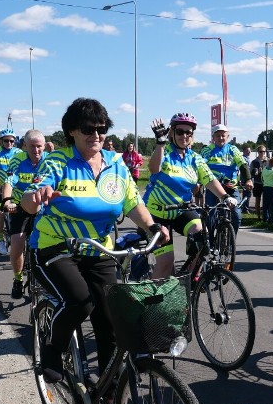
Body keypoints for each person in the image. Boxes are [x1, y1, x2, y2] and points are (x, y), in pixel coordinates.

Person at [20, 98, 170, 383]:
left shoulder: (115, 162)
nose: (96, 135)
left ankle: (110, 386)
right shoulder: (58, 161)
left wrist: (152, 227)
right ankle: (53, 347)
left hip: (99, 248)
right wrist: (35, 197)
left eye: (101, 129)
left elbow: (131, 202)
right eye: (88, 129)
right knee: (81, 302)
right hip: (55, 246)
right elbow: (32, 197)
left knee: (110, 319)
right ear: (72, 131)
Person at [144, 112, 237, 279]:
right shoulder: (165, 152)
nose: (184, 136)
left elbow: (209, 179)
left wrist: (224, 196)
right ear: (171, 132)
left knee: (203, 237)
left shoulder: (195, 158)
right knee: (165, 262)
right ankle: (154, 302)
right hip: (157, 213)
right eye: (180, 131)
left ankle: (188, 280)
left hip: (180, 210)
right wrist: (160, 143)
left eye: (188, 132)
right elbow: (154, 169)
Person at [2, 129, 47, 299]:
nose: (36, 151)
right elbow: (9, 181)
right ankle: (18, 278)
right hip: (19, 206)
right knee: (17, 241)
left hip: (43, 208)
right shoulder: (17, 160)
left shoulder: (49, 160)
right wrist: (7, 200)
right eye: (32, 147)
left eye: (39, 147)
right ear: (25, 146)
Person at [200, 124, 252, 234]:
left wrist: (248, 179)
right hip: (213, 187)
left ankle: (231, 242)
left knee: (236, 214)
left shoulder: (233, 149)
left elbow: (243, 164)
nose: (220, 138)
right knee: (211, 214)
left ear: (227, 136)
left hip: (231, 186)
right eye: (217, 136)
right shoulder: (207, 150)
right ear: (213, 137)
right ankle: (211, 240)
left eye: (223, 135)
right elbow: (200, 166)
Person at [0, 129, 24, 254]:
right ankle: (0, 240)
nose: (9, 143)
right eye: (6, 141)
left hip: (13, 186)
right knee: (1, 211)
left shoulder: (19, 152)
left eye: (12, 141)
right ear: (1, 141)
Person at [249, 145, 267, 219]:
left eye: (263, 151)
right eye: (260, 151)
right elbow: (251, 173)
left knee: (266, 200)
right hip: (257, 182)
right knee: (258, 200)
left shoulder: (268, 161)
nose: (262, 153)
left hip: (266, 183)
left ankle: (265, 216)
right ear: (258, 152)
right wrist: (257, 172)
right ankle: (258, 216)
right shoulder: (254, 162)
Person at [261, 156, 273, 225]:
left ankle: (265, 218)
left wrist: (265, 183)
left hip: (265, 187)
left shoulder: (264, 169)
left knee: (266, 204)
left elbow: (262, 178)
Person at [241, 146, 253, 213]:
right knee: (247, 194)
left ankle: (246, 207)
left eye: (249, 151)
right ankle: (245, 208)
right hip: (245, 179)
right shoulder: (243, 159)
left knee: (248, 194)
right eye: (247, 151)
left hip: (249, 178)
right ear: (244, 151)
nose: (249, 152)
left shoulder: (248, 159)